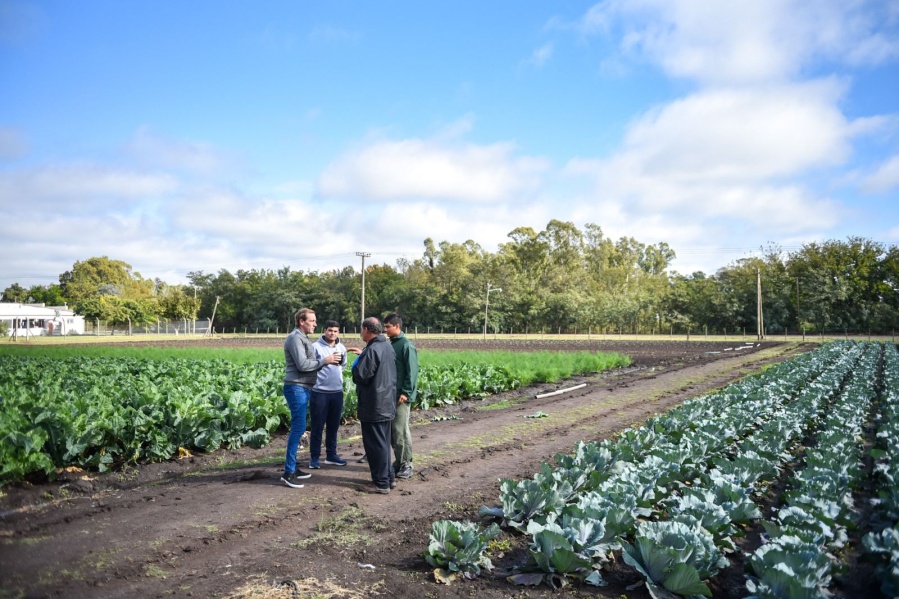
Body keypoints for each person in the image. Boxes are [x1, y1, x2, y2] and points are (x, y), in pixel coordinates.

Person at [281, 308, 341, 489]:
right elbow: (303, 365)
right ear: (301, 321)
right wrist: (325, 360)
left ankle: (293, 468)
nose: (315, 324)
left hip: (303, 388)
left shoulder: (303, 338)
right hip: (296, 387)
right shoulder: (295, 338)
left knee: (299, 428)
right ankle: (288, 472)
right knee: (298, 428)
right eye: (312, 321)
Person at [352, 317, 397, 494]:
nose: (361, 333)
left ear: (367, 330)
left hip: (374, 404)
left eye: (361, 329)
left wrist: (357, 364)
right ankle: (389, 478)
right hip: (387, 402)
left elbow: (361, 376)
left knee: (375, 445)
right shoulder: (387, 346)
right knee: (383, 443)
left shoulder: (372, 350)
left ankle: (380, 483)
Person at [309, 320, 360, 469]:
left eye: (335, 331)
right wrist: (325, 362)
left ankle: (331, 455)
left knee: (333, 426)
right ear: (324, 330)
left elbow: (342, 366)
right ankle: (314, 457)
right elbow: (310, 367)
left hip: (337, 392)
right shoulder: (315, 347)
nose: (333, 333)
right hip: (319, 392)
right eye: (330, 330)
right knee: (317, 426)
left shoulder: (341, 348)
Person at [384, 313, 418, 480]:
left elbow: (412, 372)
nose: (385, 330)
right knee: (393, 431)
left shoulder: (406, 345)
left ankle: (406, 464)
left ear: (397, 326)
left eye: (388, 327)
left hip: (401, 396)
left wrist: (406, 392)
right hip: (391, 394)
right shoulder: (393, 344)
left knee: (400, 430)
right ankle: (399, 461)